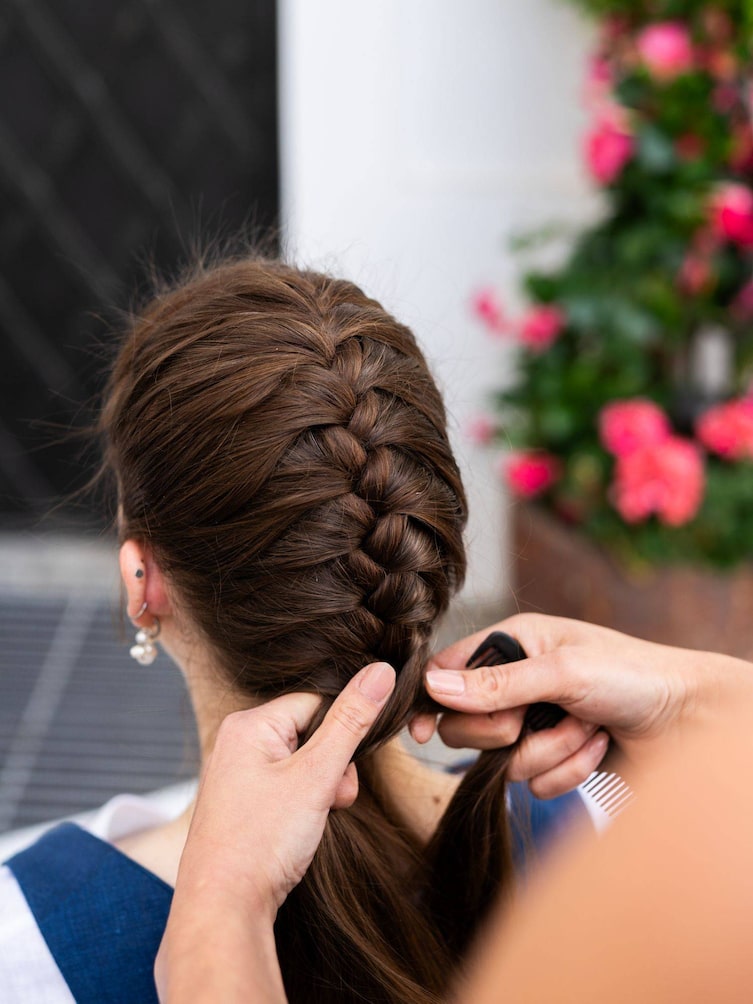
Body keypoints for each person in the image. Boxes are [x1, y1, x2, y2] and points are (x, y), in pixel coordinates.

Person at [0, 258, 588, 1004]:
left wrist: (225, 911)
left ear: (141, 583)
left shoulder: (26, 946)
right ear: (423, 553)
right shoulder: (618, 829)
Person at [155, 612, 753, 1002]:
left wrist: (224, 895)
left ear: (144, 584)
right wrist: (689, 704)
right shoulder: (639, 839)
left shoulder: (85, 936)